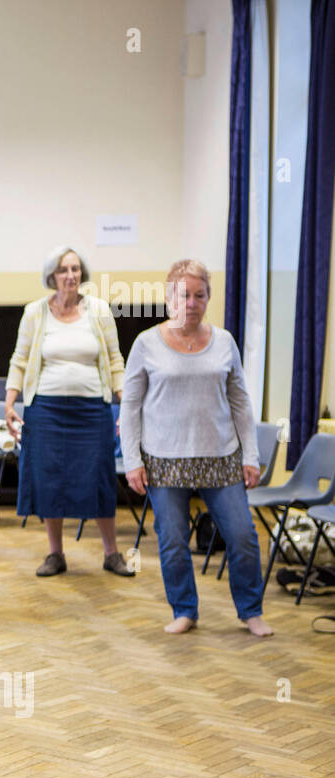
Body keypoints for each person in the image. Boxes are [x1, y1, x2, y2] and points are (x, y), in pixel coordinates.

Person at [120, 259, 272, 637]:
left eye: (199, 295)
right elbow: (130, 406)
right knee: (172, 541)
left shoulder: (224, 342)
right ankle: (185, 609)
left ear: (208, 297)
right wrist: (132, 460)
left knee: (242, 537)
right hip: (163, 461)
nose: (191, 302)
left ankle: (250, 611)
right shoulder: (146, 344)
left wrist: (250, 456)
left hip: (220, 458)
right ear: (170, 297)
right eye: (183, 294)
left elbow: (240, 402)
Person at [5, 246, 133, 577]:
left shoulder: (99, 310)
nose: (71, 275)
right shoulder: (35, 312)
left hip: (92, 410)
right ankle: (55, 554)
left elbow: (116, 359)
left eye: (76, 269)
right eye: (64, 270)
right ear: (52, 276)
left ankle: (112, 553)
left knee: (100, 478)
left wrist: (126, 403)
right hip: (45, 410)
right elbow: (19, 360)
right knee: (49, 480)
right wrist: (9, 401)